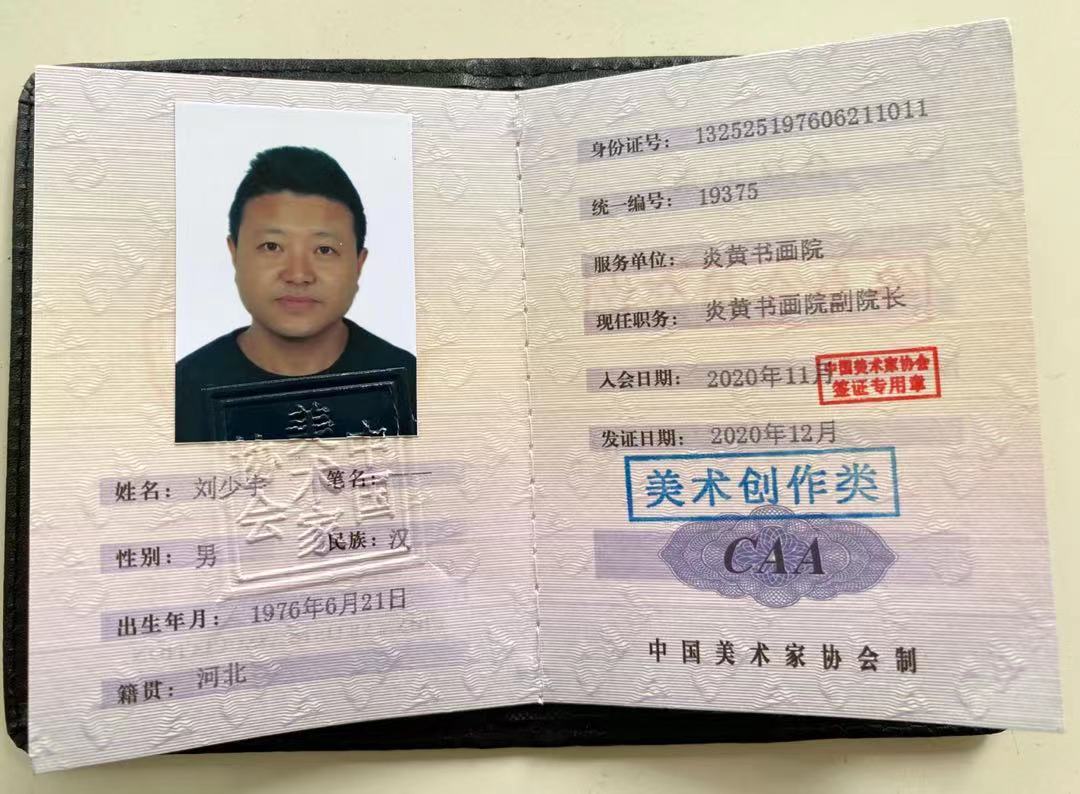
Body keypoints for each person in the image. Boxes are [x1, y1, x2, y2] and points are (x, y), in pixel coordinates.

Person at [175, 146, 417, 442]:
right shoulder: (181, 390)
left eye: (324, 250)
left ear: (359, 264)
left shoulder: (412, 383)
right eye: (272, 246)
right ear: (234, 254)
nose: (298, 275)